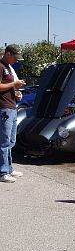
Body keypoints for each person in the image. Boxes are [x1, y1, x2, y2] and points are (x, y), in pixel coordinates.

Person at [0, 44, 26, 183]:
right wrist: (13, 84)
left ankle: (9, 168)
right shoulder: (1, 66)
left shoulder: (8, 67)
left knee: (11, 141)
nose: (16, 61)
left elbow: (7, 87)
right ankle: (3, 172)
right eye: (14, 57)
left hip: (12, 107)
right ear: (8, 54)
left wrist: (16, 93)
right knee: (4, 142)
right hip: (4, 108)